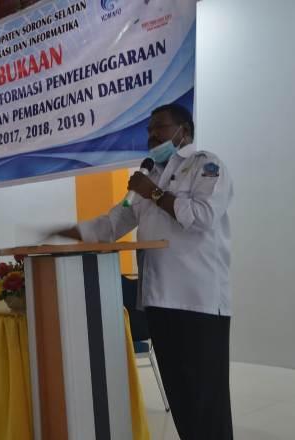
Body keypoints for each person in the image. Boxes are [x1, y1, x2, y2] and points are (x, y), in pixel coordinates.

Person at [53, 103, 234, 439]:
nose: (151, 136)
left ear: (184, 130)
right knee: (182, 399)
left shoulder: (205, 165)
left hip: (198, 301)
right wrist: (68, 231)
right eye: (149, 130)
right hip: (157, 300)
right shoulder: (149, 178)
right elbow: (113, 223)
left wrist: (152, 192)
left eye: (159, 127)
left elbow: (202, 216)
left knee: (207, 401)